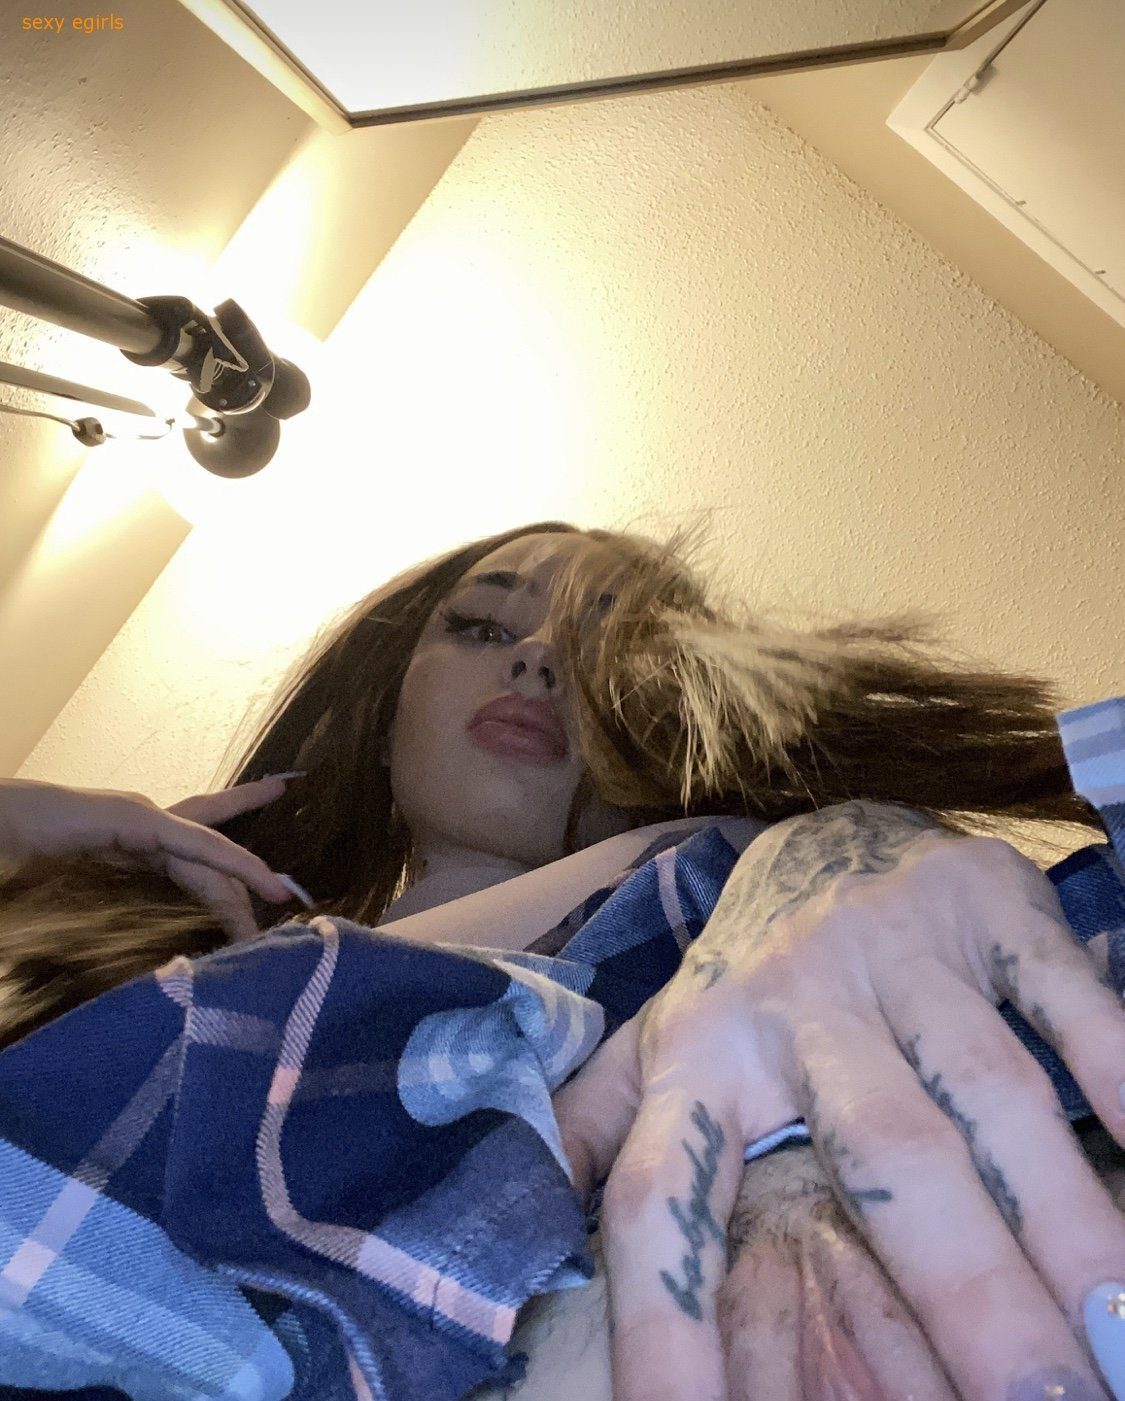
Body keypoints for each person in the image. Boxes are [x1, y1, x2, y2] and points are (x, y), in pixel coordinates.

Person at [1, 519, 1123, 1401]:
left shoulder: (714, 918)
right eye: (479, 626)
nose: (537, 658)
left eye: (600, 650)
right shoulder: (113, 955)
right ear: (380, 707)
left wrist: (831, 842)